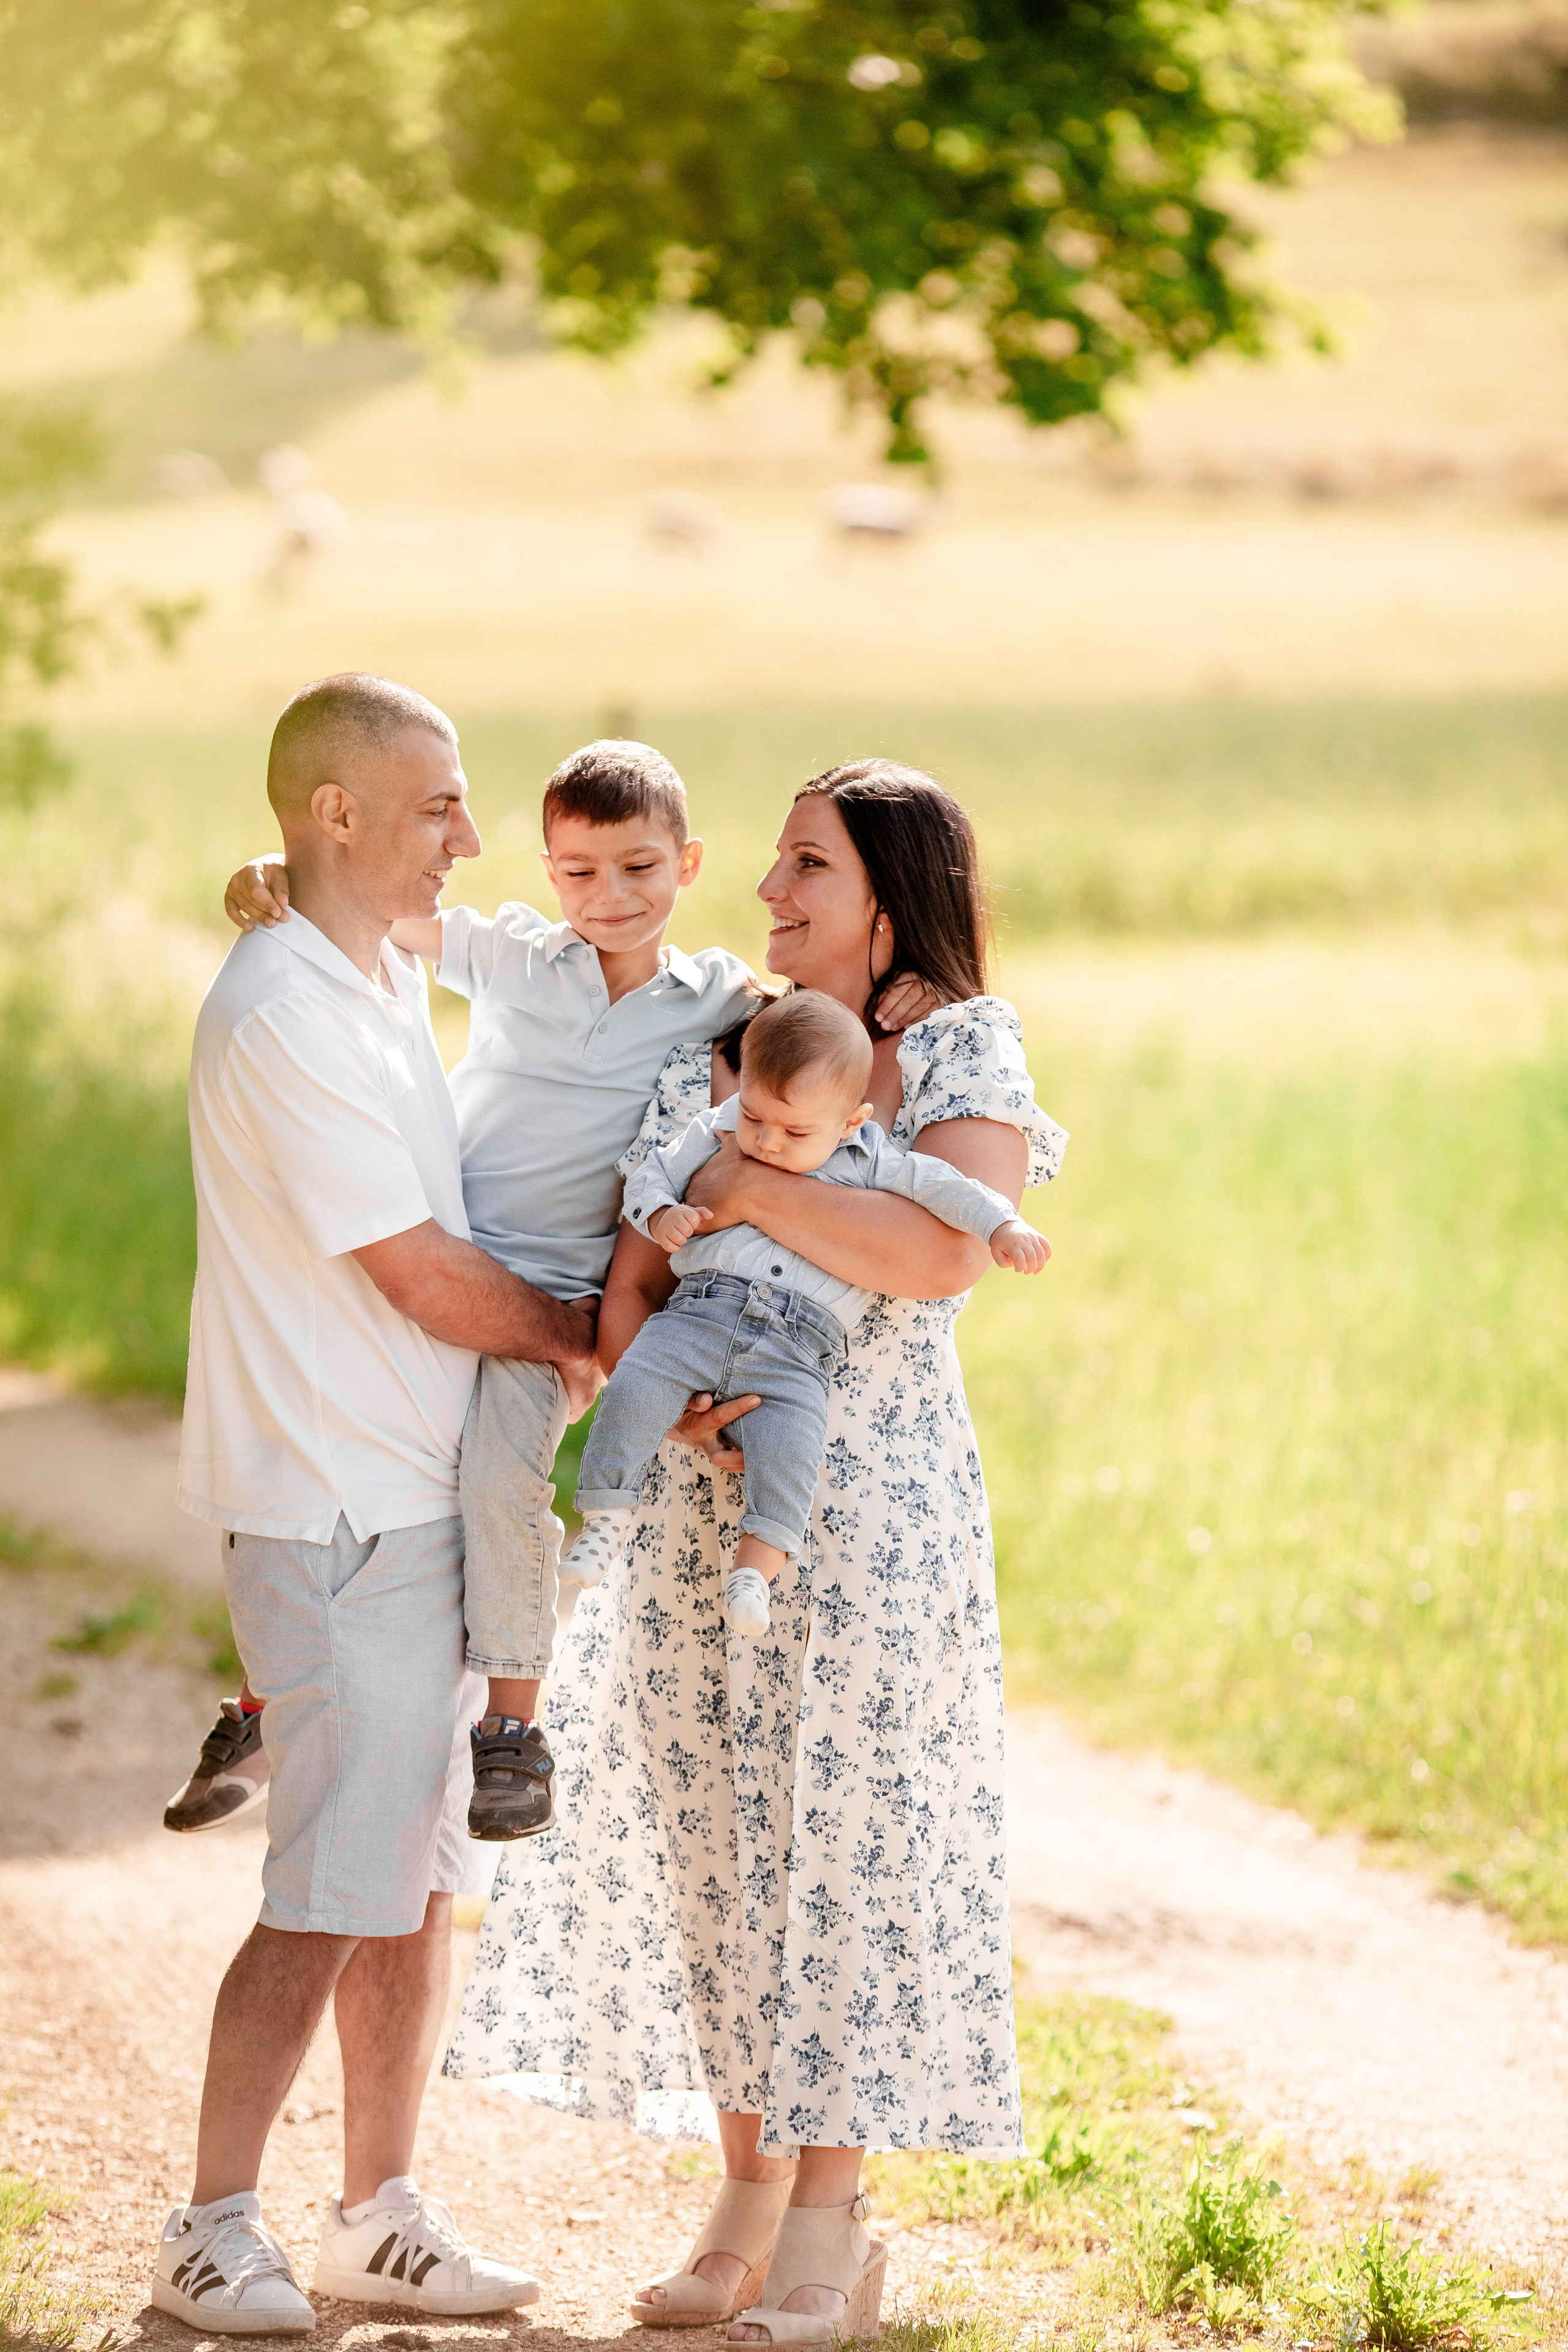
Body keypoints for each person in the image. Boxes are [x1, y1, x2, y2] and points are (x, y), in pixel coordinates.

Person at [442, 760, 1068, 2350]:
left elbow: (937, 1257)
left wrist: (740, 1183)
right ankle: (741, 2194)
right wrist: (698, 1339)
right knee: (713, 1833)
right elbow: (636, 1261)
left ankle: (833, 2228)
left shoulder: (959, 1042)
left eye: (806, 869)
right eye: (779, 865)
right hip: (702, 1490)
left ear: (887, 893)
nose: (773, 895)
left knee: (840, 1838)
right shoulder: (714, 1043)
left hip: (876, 1505)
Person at [172, 745, 933, 1842]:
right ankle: (264, 1703)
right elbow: (369, 906)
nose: (610, 900)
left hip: (554, 1307)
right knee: (350, 1486)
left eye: (638, 870)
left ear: (688, 864)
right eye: (578, 874)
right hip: (446, 1268)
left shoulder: (717, 998)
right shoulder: (513, 958)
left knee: (499, 1486)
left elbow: (816, 1033)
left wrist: (898, 994)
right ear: (545, 872)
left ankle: (512, 1733)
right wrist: (275, 869)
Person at [158, 673, 598, 2334]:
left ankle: (377, 2214)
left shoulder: (364, 968)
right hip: (335, 1510)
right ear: (335, 815)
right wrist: (592, 1337)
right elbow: (418, 1275)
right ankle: (208, 2227)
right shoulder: (286, 1012)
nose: (471, 841)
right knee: (334, 1884)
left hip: (421, 1504)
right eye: (438, 806)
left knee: (415, 1883)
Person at [564, 989, 1048, 1635]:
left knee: (792, 1453)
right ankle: (605, 1517)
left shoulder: (873, 1158)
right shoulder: (720, 1127)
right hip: (700, 1314)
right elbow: (653, 1172)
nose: (765, 1142)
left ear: (850, 1122)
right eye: (755, 1118)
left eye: (794, 1133)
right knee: (634, 1387)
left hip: (797, 1345)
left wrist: (1002, 1227)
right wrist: (662, 1212)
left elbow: (947, 1188)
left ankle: (753, 1574)